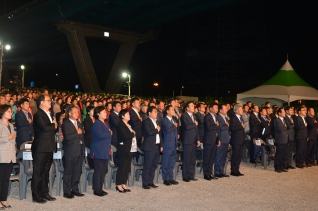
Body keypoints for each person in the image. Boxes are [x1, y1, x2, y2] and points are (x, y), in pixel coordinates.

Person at [31, 94, 57, 203]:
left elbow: (53, 129)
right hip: (40, 147)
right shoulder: (38, 114)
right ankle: (36, 195)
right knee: (38, 172)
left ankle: (44, 192)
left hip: (49, 146)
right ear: (41, 102)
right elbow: (44, 127)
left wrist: (54, 125)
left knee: (46, 172)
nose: (50, 102)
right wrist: (54, 125)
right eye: (48, 100)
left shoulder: (49, 113)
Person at [62, 106, 85, 199]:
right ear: (70, 114)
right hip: (70, 150)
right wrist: (77, 132)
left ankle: (75, 189)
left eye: (78, 112)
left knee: (77, 170)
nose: (77, 113)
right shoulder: (66, 123)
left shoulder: (79, 123)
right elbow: (67, 137)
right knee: (68, 171)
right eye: (75, 112)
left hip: (79, 149)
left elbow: (82, 135)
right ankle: (67, 191)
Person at [90, 106, 112, 196]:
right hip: (98, 150)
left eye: (105, 112)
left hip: (105, 149)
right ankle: (96, 189)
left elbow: (108, 134)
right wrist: (109, 133)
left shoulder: (106, 123)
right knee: (98, 170)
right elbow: (100, 135)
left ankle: (100, 187)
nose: (105, 113)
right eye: (103, 112)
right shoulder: (97, 124)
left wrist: (109, 133)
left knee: (103, 169)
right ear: (98, 114)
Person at [116, 109, 136, 193]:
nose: (129, 115)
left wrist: (132, 133)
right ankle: (118, 184)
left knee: (127, 167)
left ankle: (124, 183)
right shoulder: (120, 125)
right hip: (124, 148)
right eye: (127, 114)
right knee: (122, 167)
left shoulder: (128, 125)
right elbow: (124, 135)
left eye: (129, 114)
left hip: (130, 148)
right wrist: (132, 134)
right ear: (122, 116)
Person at [0, 105, 16, 209]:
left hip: (10, 155)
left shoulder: (10, 125)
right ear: (2, 112)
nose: (11, 113)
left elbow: (12, 141)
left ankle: (4, 199)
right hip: (1, 155)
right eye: (9, 111)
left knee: (6, 179)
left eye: (11, 112)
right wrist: (7, 138)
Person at [141, 106, 161, 189]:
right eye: (155, 111)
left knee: (154, 165)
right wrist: (157, 129)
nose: (156, 113)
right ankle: (145, 183)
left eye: (157, 111)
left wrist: (161, 145)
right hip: (149, 146)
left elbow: (160, 135)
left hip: (156, 146)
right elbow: (149, 132)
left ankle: (150, 181)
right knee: (147, 165)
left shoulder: (156, 122)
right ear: (149, 113)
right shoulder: (146, 122)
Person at [181, 101, 200, 182]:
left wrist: (198, 139)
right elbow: (187, 126)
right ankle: (185, 176)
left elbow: (196, 129)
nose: (193, 107)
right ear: (187, 108)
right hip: (187, 140)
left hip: (194, 140)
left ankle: (191, 175)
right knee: (186, 159)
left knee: (192, 159)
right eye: (191, 106)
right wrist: (194, 124)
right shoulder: (184, 116)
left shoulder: (194, 116)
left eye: (193, 106)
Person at [161, 105, 179, 186]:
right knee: (166, 162)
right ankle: (165, 178)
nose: (173, 111)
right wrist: (174, 126)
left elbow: (175, 133)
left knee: (172, 162)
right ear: (167, 111)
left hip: (174, 144)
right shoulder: (164, 120)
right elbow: (168, 130)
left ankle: (171, 178)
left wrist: (176, 143)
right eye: (171, 110)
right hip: (167, 144)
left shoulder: (174, 120)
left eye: (174, 110)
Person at [203, 103, 219, 181]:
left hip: (214, 139)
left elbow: (217, 130)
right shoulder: (207, 117)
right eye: (215, 107)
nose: (217, 109)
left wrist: (218, 139)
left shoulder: (216, 117)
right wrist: (215, 125)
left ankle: (210, 172)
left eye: (217, 108)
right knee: (207, 157)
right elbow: (209, 127)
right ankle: (206, 174)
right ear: (211, 108)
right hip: (208, 140)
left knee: (212, 158)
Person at [214, 104, 230, 178]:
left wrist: (227, 125)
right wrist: (226, 125)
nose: (226, 110)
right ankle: (217, 172)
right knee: (219, 156)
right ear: (220, 110)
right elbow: (219, 128)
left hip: (226, 139)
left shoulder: (226, 118)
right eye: (225, 109)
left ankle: (221, 171)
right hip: (221, 139)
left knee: (223, 156)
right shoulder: (218, 117)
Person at [229, 104, 245, 176]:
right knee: (235, 155)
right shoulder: (233, 118)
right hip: (236, 139)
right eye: (241, 109)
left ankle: (237, 169)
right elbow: (232, 128)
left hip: (241, 139)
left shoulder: (241, 118)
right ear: (237, 110)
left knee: (239, 156)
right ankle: (233, 170)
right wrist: (240, 126)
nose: (242, 111)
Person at [274, 107, 289, 173]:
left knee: (284, 154)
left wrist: (285, 126)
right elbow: (279, 129)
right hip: (280, 139)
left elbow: (288, 126)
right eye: (283, 112)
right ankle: (277, 167)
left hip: (285, 139)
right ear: (279, 113)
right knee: (279, 154)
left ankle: (282, 166)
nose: (284, 113)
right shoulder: (277, 120)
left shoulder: (285, 120)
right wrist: (285, 126)